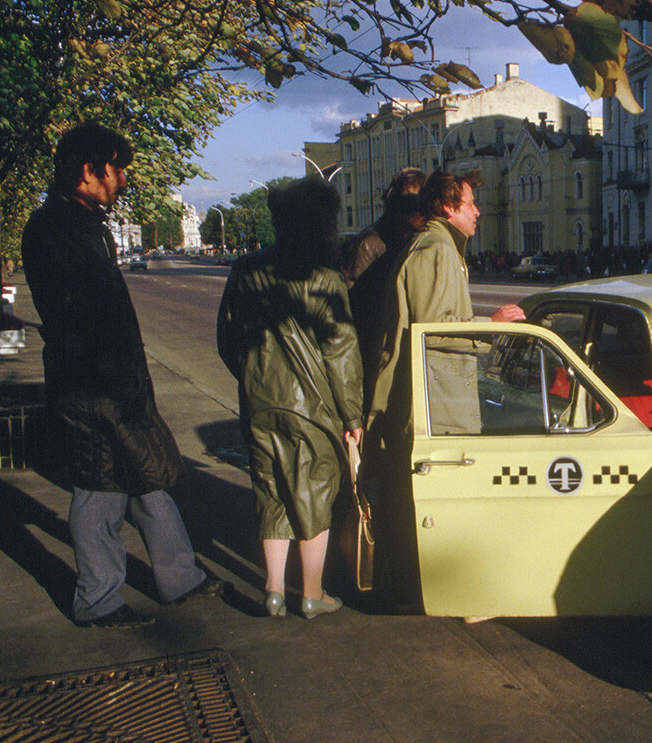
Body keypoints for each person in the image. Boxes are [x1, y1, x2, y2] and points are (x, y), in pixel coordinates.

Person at [21, 122, 224, 628]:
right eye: (118, 168)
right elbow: (77, 316)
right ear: (89, 170)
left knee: (147, 477)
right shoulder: (58, 227)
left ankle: (180, 579)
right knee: (100, 492)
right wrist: (112, 380)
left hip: (112, 381)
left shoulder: (78, 220)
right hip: (94, 385)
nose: (124, 179)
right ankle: (98, 599)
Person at [364, 168, 522, 609]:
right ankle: (440, 594)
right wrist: (489, 326)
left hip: (437, 395)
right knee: (437, 502)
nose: (478, 211)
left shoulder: (439, 247)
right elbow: (431, 331)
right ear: (448, 207)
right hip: (436, 401)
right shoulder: (437, 250)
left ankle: (424, 590)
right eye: (470, 203)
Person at [217, 177, 363, 620]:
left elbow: (227, 337)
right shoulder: (323, 278)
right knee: (315, 493)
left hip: (259, 399)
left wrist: (251, 376)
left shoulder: (246, 269)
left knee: (271, 490)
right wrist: (352, 414)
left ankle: (275, 589)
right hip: (313, 406)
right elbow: (341, 353)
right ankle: (313, 593)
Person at [341, 167, 426, 397]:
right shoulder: (371, 243)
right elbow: (352, 313)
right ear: (407, 207)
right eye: (423, 207)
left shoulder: (408, 239)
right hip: (373, 359)